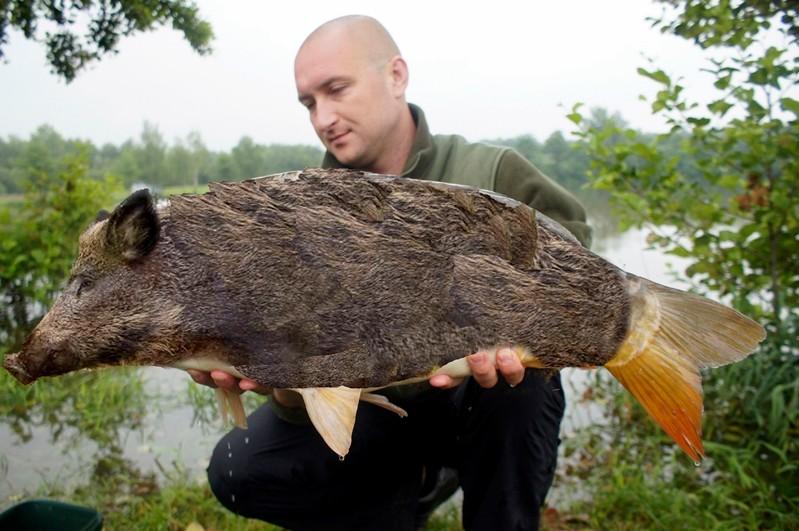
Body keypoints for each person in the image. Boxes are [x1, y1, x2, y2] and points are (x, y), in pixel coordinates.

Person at [188, 15, 591, 531]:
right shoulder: (299, 215)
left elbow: (580, 264)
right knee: (237, 467)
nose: (323, 117)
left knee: (524, 387)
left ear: (396, 76)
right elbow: (300, 401)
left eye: (337, 90)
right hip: (375, 412)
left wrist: (520, 322)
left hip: (477, 403)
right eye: (309, 103)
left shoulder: (491, 173)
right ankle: (405, 494)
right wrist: (282, 379)